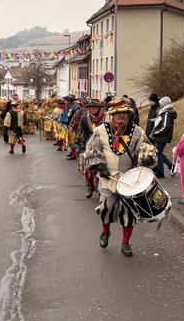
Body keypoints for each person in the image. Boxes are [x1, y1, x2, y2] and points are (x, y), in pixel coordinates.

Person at [84, 97, 157, 257]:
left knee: (129, 214)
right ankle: (106, 232)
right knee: (106, 209)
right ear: (112, 115)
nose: (121, 116)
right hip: (108, 179)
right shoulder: (101, 131)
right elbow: (92, 151)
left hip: (130, 181)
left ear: (128, 114)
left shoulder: (137, 131)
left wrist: (147, 158)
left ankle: (125, 243)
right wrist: (100, 166)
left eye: (124, 113)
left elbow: (146, 148)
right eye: (118, 113)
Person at [76, 98, 105, 198]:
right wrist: (80, 144)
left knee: (102, 169)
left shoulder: (106, 118)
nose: (92, 109)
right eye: (90, 107)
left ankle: (99, 187)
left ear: (99, 107)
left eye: (95, 107)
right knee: (88, 170)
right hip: (89, 147)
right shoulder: (84, 119)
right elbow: (79, 133)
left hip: (104, 146)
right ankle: (91, 187)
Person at [149, 96, 177, 178]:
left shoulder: (166, 113)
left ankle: (160, 171)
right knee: (158, 152)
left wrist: (155, 132)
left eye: (161, 104)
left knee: (158, 153)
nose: (159, 105)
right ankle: (171, 165)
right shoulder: (163, 112)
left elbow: (165, 126)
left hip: (162, 136)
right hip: (160, 136)